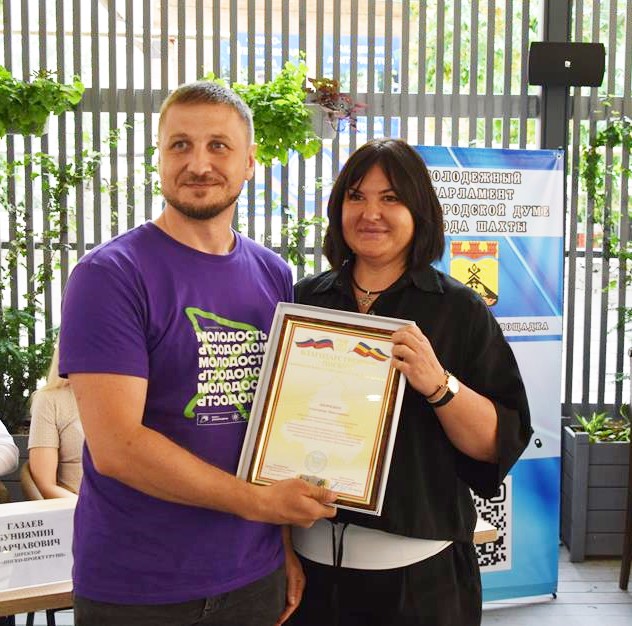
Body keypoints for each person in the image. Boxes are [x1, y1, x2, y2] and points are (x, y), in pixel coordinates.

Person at [59, 81, 336, 626]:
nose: (199, 163)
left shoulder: (273, 274)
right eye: (180, 145)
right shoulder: (110, 275)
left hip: (253, 576)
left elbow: (272, 428)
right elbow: (118, 447)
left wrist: (281, 543)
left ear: (250, 162)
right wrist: (260, 504)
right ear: (159, 158)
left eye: (219, 146)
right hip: (141, 590)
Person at [290, 138, 532, 626]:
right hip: (308, 574)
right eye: (356, 197)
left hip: (419, 583)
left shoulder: (458, 309)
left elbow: (496, 443)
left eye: (391, 198)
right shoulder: (303, 303)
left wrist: (439, 384)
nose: (370, 213)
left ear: (419, 210)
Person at [28, 343, 83, 497]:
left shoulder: (136, 399)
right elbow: (45, 485)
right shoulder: (49, 400)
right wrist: (87, 508)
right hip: (76, 505)